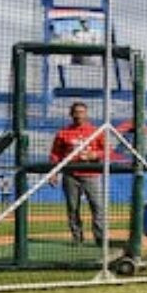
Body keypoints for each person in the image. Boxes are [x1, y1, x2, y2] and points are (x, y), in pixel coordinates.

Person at [48, 102, 106, 247]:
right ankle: (77, 238)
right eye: (76, 112)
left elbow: (107, 151)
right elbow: (55, 154)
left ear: (86, 114)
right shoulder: (63, 133)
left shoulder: (96, 131)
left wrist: (94, 155)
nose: (79, 115)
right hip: (70, 175)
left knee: (97, 206)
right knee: (73, 208)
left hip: (91, 174)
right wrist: (53, 172)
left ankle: (100, 239)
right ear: (71, 114)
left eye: (82, 112)